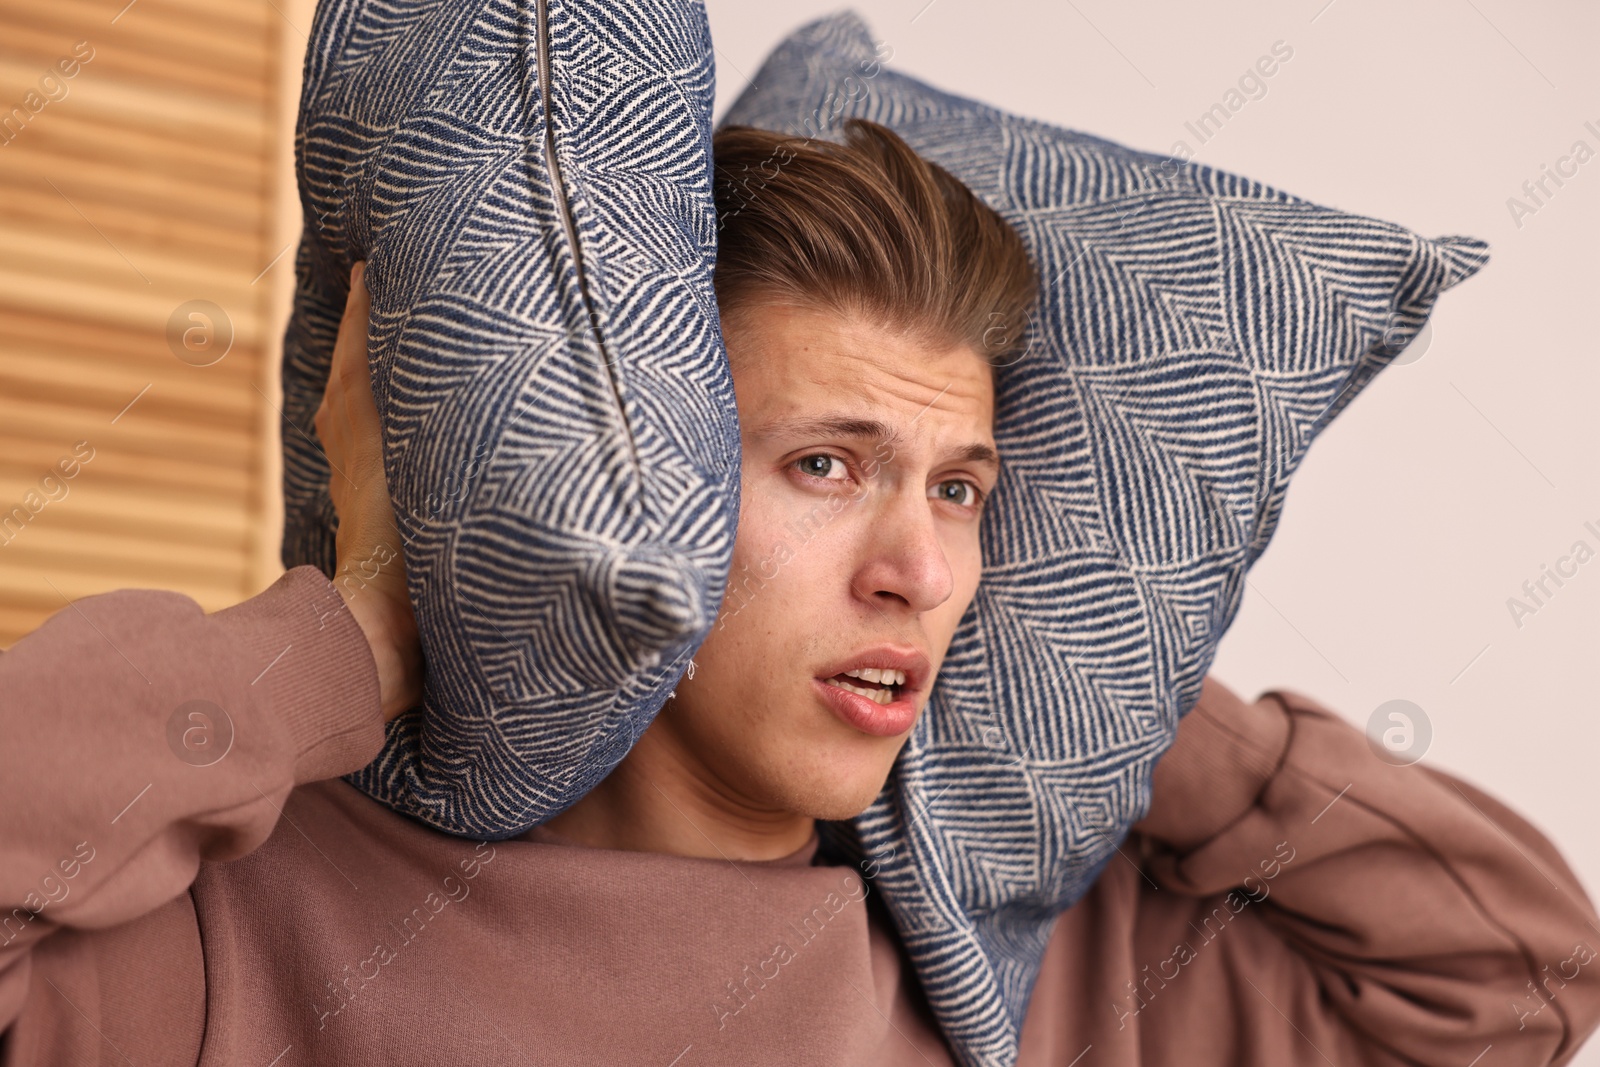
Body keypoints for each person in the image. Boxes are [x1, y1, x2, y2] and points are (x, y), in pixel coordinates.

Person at [1, 119, 1597, 1067]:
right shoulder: (242, 916)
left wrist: (1092, 673)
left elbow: (1519, 978)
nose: (917, 573)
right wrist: (353, 626)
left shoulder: (1040, 973)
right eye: (827, 467)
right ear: (628, 487)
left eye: (961, 490)